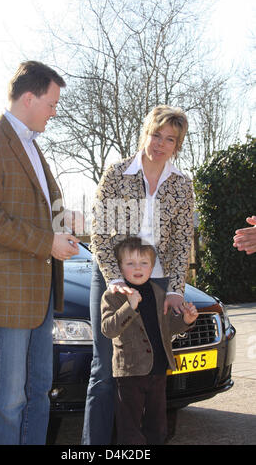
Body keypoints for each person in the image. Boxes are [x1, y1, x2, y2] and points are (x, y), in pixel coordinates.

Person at [0, 60, 80, 445]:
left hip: (40, 291)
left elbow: (42, 210)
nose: (54, 111)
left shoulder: (32, 146)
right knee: (6, 398)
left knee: (38, 392)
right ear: (28, 98)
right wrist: (48, 242)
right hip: (9, 295)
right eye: (51, 103)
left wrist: (65, 221)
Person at [82, 105, 194, 444]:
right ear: (145, 133)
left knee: (153, 371)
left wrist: (175, 289)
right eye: (155, 135)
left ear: (177, 145)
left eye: (169, 139)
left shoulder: (182, 185)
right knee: (106, 371)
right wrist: (115, 278)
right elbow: (100, 231)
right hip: (113, 280)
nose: (159, 144)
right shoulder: (117, 173)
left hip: (158, 284)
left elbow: (180, 241)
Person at [101, 237, 198, 445]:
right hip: (130, 372)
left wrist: (185, 320)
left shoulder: (158, 292)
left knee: (158, 424)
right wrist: (129, 306)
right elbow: (108, 329)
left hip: (158, 369)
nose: (138, 268)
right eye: (130, 263)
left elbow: (167, 328)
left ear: (152, 267)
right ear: (120, 267)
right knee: (130, 428)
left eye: (144, 263)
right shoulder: (113, 296)